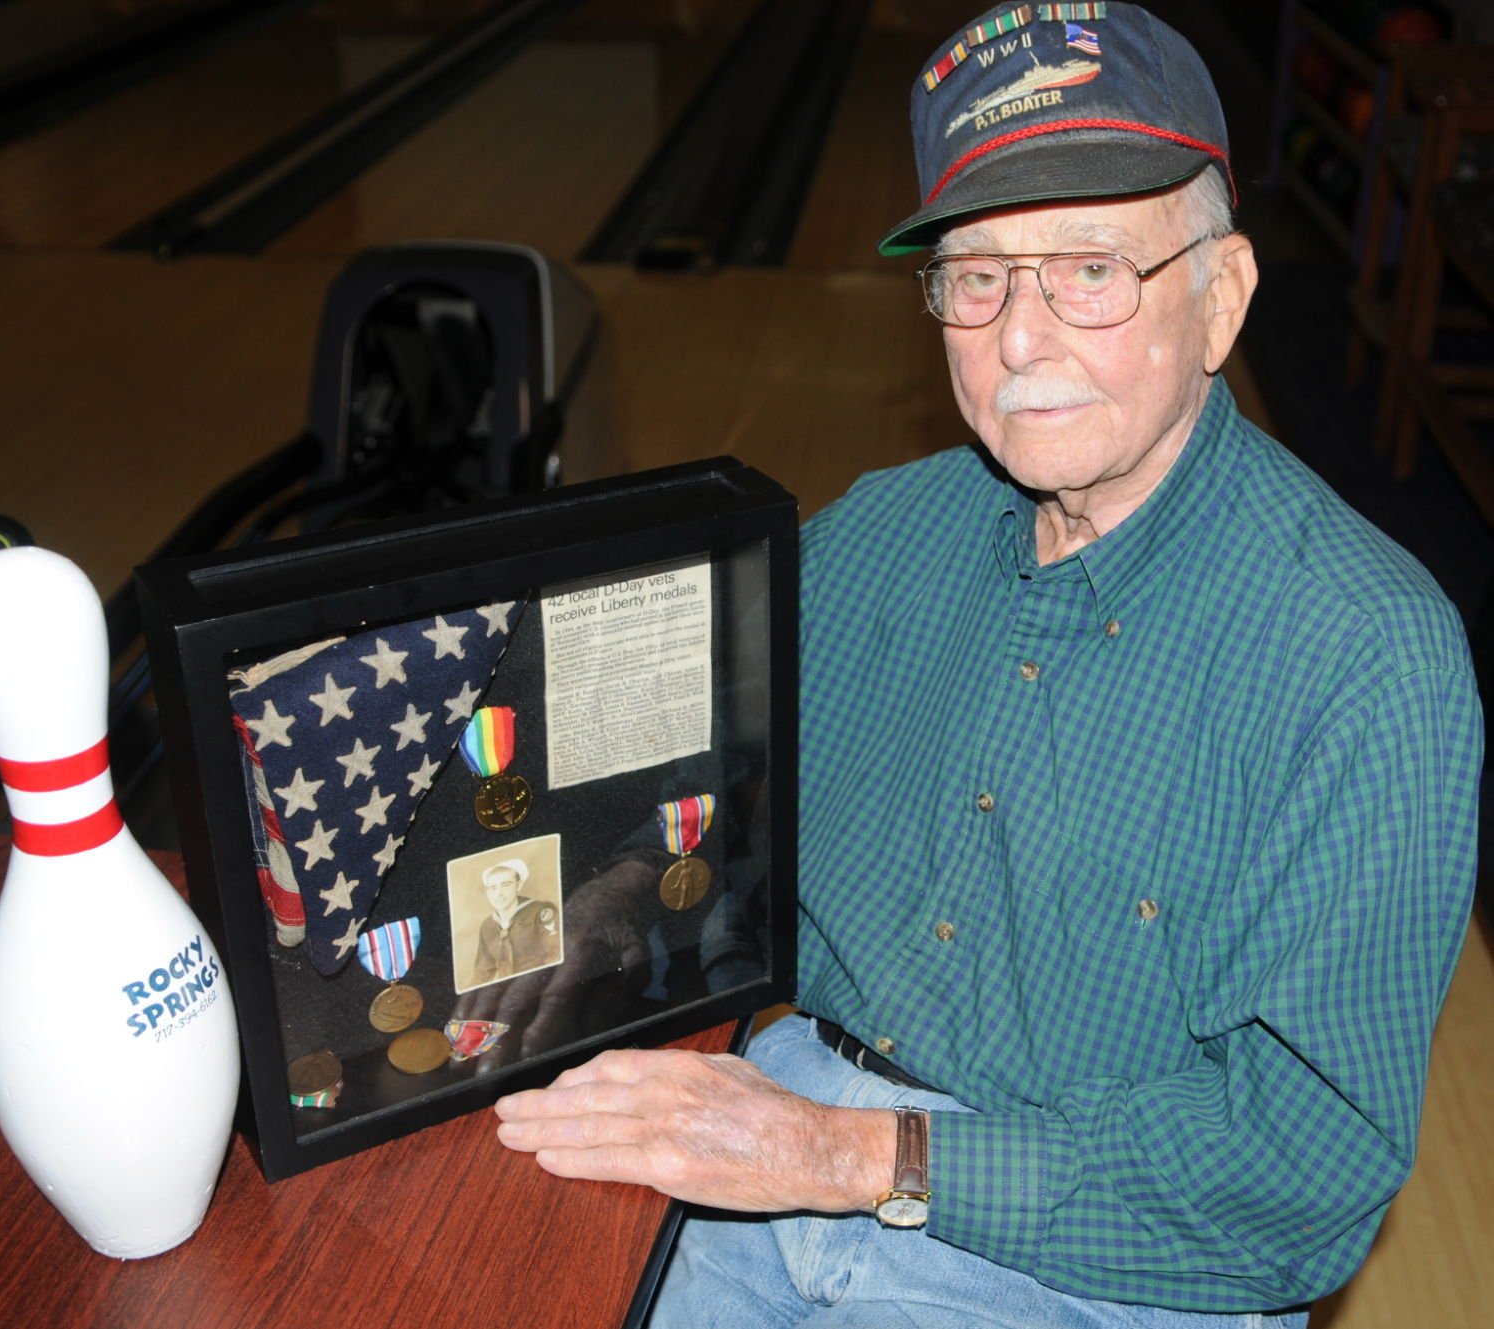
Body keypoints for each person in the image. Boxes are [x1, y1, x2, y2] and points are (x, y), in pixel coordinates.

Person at [492, 6, 1483, 1324]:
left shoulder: (1362, 660)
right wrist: (608, 884)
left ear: (1221, 296)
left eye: (1086, 267)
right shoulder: (874, 537)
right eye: (976, 276)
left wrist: (850, 1160)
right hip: (777, 1120)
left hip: (1098, 1243)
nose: (1017, 339)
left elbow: (1296, 1178)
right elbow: (697, 800)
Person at [470, 858, 560, 986]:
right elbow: (481, 974)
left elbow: (557, 954)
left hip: (540, 984)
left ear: (519, 885)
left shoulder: (541, 911)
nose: (499, 893)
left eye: (506, 885)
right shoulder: (487, 926)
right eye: (493, 888)